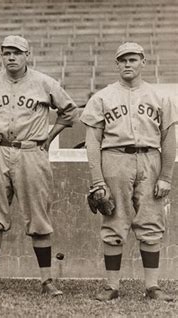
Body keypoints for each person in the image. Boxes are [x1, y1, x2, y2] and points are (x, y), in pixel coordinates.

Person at [0, 35, 78, 296]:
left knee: (38, 218)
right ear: (2, 56)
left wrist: (49, 138)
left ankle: (46, 280)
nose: (12, 57)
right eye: (7, 53)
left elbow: (70, 110)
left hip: (31, 151)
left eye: (17, 53)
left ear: (28, 55)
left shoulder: (44, 82)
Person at [80, 42, 177, 301]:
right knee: (114, 220)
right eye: (123, 60)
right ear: (116, 64)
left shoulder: (160, 97)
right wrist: (98, 180)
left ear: (143, 62)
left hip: (150, 158)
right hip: (115, 158)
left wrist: (166, 176)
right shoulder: (102, 97)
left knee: (151, 221)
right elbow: (92, 142)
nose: (128, 64)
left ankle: (152, 287)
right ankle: (112, 287)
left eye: (133, 59)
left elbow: (169, 139)